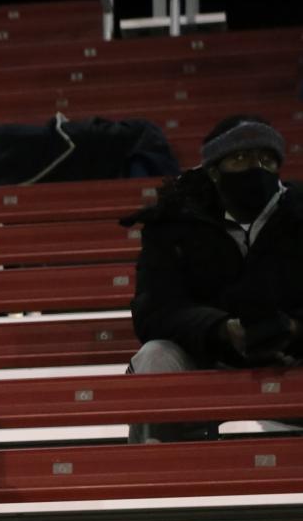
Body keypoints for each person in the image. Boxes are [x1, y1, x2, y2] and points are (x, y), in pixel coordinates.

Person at [122, 115, 302, 442]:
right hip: (208, 354)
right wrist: (220, 329)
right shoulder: (173, 222)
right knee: (156, 355)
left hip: (294, 356)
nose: (255, 168)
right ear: (215, 171)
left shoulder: (299, 213)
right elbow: (155, 311)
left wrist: (294, 328)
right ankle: (160, 474)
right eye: (240, 158)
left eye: (266, 159)